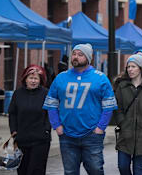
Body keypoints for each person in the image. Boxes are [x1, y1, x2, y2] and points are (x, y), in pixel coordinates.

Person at [43, 44, 117, 175]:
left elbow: (109, 106)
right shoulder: (61, 77)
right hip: (67, 134)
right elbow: (51, 103)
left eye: (80, 54)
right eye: (74, 53)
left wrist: (100, 128)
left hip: (92, 134)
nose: (76, 57)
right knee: (70, 172)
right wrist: (57, 126)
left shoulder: (100, 78)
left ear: (88, 58)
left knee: (95, 170)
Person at [8, 65, 51, 175]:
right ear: (25, 79)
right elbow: (12, 113)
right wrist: (13, 130)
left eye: (36, 78)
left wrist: (47, 129)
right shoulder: (18, 93)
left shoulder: (46, 93)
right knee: (22, 170)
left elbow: (51, 113)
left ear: (40, 80)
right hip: (22, 139)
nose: (33, 81)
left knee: (36, 170)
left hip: (40, 139)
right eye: (30, 78)